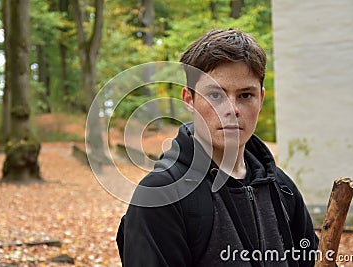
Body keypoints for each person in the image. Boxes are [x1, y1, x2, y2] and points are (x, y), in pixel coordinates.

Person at [117, 28, 318, 266]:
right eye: (215, 95)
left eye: (245, 95)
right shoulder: (162, 196)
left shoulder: (281, 188)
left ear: (261, 99)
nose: (231, 109)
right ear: (189, 100)